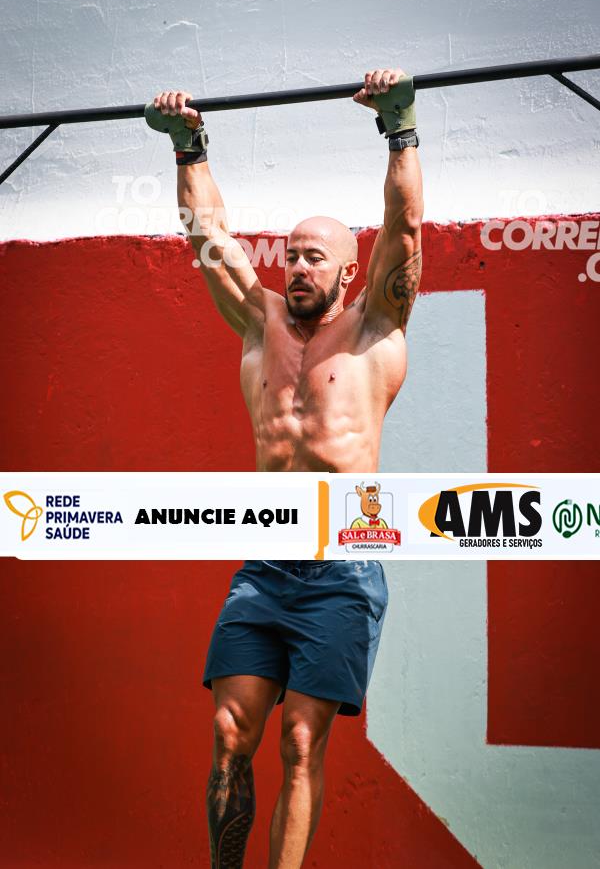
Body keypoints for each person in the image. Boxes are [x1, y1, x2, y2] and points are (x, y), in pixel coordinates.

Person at [148, 67, 423, 869]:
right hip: (266, 565)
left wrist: (399, 127)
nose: (298, 268)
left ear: (348, 273)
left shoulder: (376, 326)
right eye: (292, 255)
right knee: (230, 731)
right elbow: (208, 238)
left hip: (342, 568)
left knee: (301, 741)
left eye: (315, 258)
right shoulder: (258, 323)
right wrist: (189, 145)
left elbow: (405, 230)